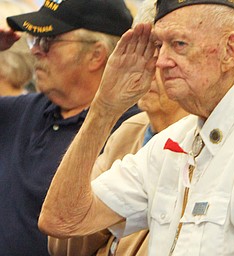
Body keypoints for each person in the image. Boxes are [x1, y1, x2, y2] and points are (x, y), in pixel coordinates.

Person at [39, 0, 234, 255]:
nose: (160, 62)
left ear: (230, 51)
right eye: (159, 45)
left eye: (179, 44)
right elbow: (62, 219)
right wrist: (104, 109)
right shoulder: (177, 141)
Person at [47, 1, 188, 255]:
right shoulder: (129, 132)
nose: (151, 65)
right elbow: (60, 239)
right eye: (143, 50)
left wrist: (105, 221)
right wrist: (103, 107)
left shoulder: (204, 141)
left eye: (169, 48)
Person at [0, 0, 139, 255]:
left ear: (96, 55)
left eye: (48, 41)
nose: (35, 51)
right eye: (34, 39)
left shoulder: (131, 130)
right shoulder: (22, 111)